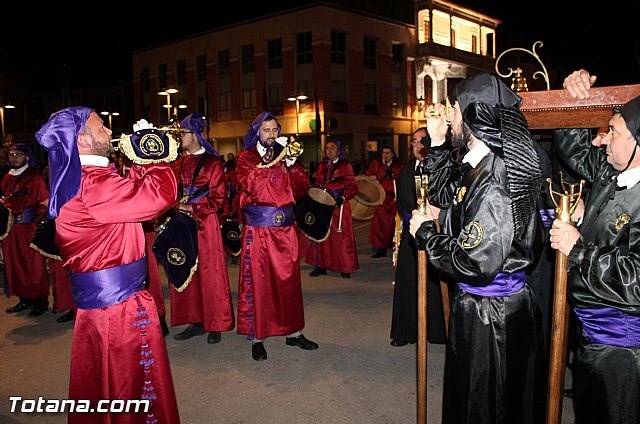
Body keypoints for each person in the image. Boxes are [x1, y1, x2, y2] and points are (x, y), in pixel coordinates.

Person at [410, 72, 546, 424]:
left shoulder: (495, 176)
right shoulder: (478, 163)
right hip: (481, 307)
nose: (450, 117)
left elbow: (473, 262)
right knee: (474, 399)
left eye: (454, 110)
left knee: (488, 404)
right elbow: (443, 194)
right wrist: (438, 143)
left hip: (492, 315)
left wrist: (427, 234)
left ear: (472, 115)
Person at [36, 108, 180, 423]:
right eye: (101, 127)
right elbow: (161, 195)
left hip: (105, 307)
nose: (109, 131)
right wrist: (153, 151)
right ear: (82, 140)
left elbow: (133, 201)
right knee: (129, 385)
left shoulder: (83, 180)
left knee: (107, 384)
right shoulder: (94, 185)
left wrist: (139, 163)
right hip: (119, 309)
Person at [549, 69, 640, 423]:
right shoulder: (611, 175)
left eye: (612, 132)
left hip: (623, 351)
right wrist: (576, 97)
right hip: (592, 336)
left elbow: (636, 280)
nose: (601, 141)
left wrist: (579, 248)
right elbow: (573, 149)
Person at [236, 111, 317, 361]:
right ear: (257, 132)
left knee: (289, 281)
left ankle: (293, 332)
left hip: (285, 229)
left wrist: (292, 168)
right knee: (259, 283)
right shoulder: (245, 157)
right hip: (258, 230)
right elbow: (250, 185)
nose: (271, 134)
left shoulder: (286, 157)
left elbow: (302, 189)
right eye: (266, 130)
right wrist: (272, 161)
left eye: (274, 129)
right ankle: (258, 337)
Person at [169, 111, 235, 344]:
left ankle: (215, 322)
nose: (180, 137)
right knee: (185, 269)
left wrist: (192, 208)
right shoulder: (179, 163)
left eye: (184, 133)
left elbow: (219, 199)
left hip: (204, 225)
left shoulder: (213, 163)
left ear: (195, 135)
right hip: (181, 225)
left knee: (210, 273)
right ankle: (195, 320)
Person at [390, 120, 457, 347]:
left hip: (438, 232)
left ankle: (440, 331)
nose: (419, 146)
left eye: (423, 141)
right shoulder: (407, 170)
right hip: (413, 233)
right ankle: (406, 331)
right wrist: (413, 220)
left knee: (438, 283)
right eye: (414, 142)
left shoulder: (441, 167)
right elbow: (401, 201)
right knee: (409, 283)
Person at [2, 143, 50, 317]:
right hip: (10, 230)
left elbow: (43, 204)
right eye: (11, 155)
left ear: (27, 157)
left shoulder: (34, 178)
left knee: (33, 266)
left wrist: (36, 225)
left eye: (18, 155)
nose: (14, 158)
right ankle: (24, 298)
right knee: (15, 266)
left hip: (28, 228)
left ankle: (39, 301)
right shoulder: (7, 178)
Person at [305, 138, 359, 279]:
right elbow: (318, 182)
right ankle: (320, 265)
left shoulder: (346, 166)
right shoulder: (322, 166)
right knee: (320, 236)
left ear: (338, 150)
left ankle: (344, 267)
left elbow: (352, 185)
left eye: (332, 148)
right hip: (323, 205)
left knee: (341, 238)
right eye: (327, 148)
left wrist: (343, 197)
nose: (329, 150)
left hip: (339, 205)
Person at [366, 143, 403, 258]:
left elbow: (401, 179)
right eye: (383, 153)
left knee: (392, 225)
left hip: (392, 201)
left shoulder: (398, 166)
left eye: (388, 153)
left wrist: (393, 175)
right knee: (378, 225)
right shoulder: (376, 164)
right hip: (379, 200)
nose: (385, 155)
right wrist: (377, 176)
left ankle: (394, 246)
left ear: (392, 154)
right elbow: (369, 176)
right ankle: (380, 249)